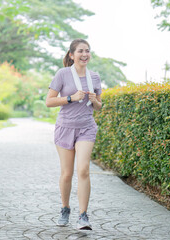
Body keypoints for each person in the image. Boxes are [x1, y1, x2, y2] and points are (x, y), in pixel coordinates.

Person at [45, 39, 102, 230]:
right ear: (71, 55)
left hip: (86, 127)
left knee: (84, 170)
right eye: (80, 51)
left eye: (87, 51)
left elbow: (99, 107)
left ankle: (83, 216)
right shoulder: (62, 74)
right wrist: (71, 98)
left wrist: (94, 101)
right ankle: (65, 208)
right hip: (65, 127)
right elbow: (49, 101)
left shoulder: (94, 77)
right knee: (67, 173)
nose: (84, 54)